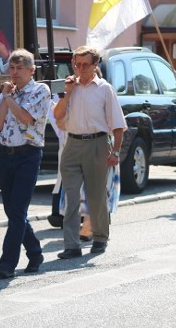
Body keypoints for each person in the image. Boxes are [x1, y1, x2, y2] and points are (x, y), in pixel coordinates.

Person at [53, 46, 126, 258]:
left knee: (96, 196)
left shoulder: (104, 89)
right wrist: (68, 93)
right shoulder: (68, 87)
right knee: (71, 197)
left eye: (86, 64)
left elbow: (118, 125)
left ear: (95, 66)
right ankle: (72, 245)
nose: (81, 68)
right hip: (73, 145)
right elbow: (58, 116)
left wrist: (116, 152)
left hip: (98, 144)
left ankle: (100, 237)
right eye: (77, 64)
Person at [0, 49, 51, 278]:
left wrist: (8, 98)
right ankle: (35, 252)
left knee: (17, 211)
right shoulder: (7, 92)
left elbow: (25, 117)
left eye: (19, 69)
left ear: (31, 70)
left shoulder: (40, 91)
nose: (14, 73)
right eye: (12, 68)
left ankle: (7, 264)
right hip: (6, 154)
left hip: (28, 154)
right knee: (12, 211)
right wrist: (6, 96)